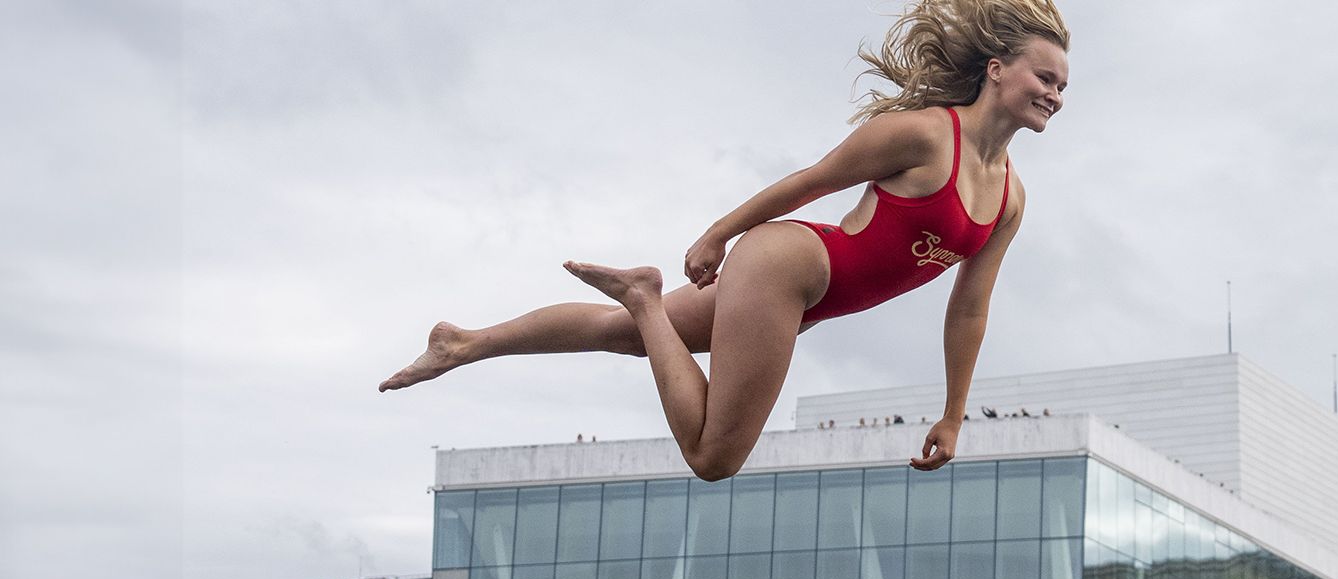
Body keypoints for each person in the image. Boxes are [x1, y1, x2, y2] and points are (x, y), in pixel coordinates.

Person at [378, 0, 1071, 489]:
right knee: (714, 456)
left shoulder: (1009, 197)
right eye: (1045, 77)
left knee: (619, 335)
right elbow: (812, 182)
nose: (1055, 95)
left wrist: (954, 415)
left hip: (798, 292)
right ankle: (646, 297)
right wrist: (721, 232)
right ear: (996, 70)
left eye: (1063, 86)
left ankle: (464, 343)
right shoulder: (925, 135)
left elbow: (968, 310)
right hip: (786, 271)